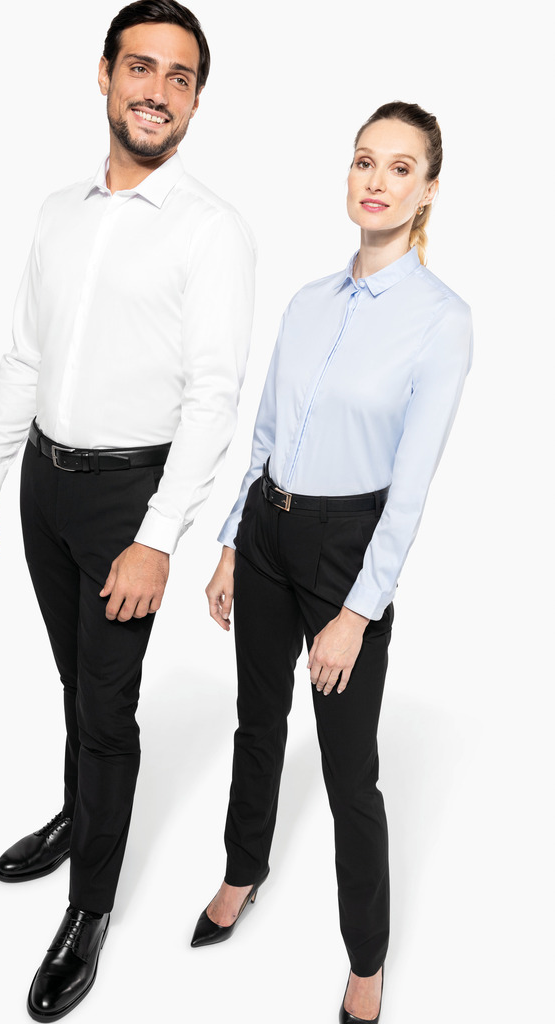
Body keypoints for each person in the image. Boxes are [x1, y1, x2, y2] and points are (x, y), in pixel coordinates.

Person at [0, 2, 255, 1020]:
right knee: (72, 679)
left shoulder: (210, 229)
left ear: (196, 102)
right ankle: (79, 815)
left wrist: (156, 538)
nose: (157, 91)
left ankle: (88, 908)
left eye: (180, 77)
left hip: (130, 498)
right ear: (104, 74)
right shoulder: (58, 211)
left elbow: (213, 399)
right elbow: (25, 352)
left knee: (105, 706)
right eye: (141, 67)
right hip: (44, 483)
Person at [191, 101, 472, 1024]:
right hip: (267, 532)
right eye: (363, 161)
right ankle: (243, 869)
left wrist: (357, 610)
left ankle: (366, 960)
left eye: (400, 167)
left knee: (351, 773)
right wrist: (231, 542)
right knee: (256, 719)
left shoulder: (441, 321)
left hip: (347, 548)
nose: (376, 181)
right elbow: (267, 433)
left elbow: (411, 489)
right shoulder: (308, 302)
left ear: (428, 191)